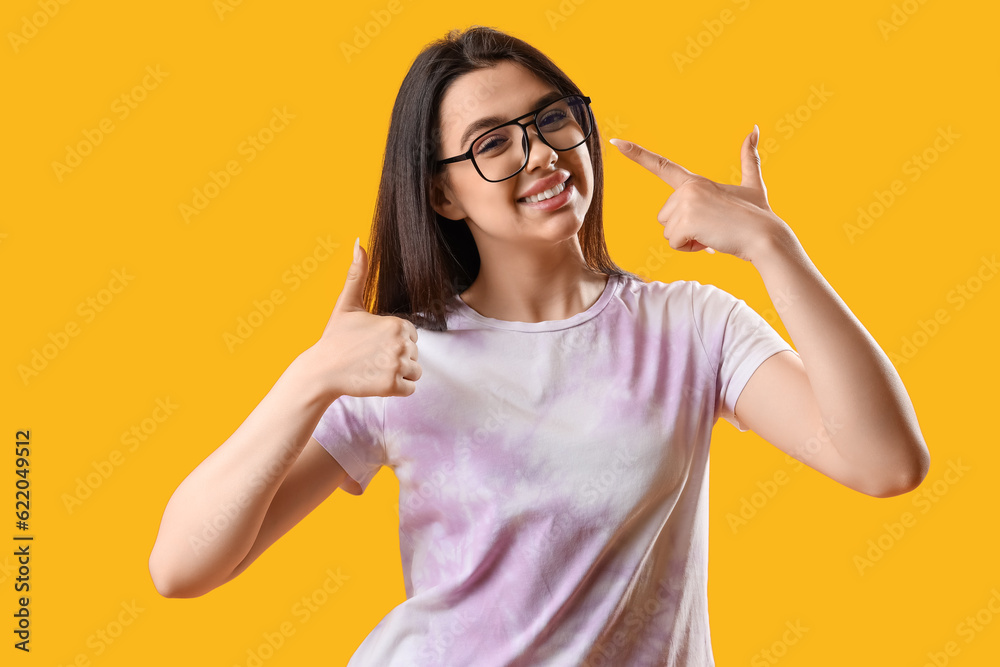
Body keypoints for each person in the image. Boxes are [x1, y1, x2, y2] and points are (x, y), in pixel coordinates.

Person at [148, 25, 930, 666]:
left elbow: (886, 462)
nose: (543, 154)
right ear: (440, 192)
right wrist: (310, 377)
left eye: (552, 118)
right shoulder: (402, 360)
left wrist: (773, 248)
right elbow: (181, 566)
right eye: (494, 143)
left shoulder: (692, 327)